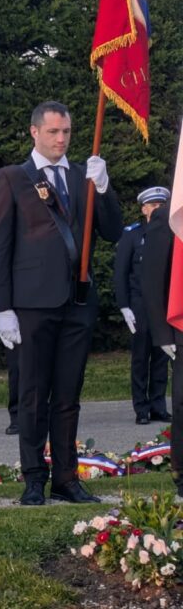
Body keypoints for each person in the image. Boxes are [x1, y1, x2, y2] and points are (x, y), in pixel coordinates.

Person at [0, 100, 122, 506]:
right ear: (34, 132)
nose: (61, 139)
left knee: (68, 394)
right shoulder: (13, 178)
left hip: (77, 302)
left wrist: (104, 188)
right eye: (53, 132)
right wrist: (3, 308)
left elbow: (113, 231)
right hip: (31, 305)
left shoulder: (84, 176)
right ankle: (34, 478)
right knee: (32, 393)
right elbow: (0, 247)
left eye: (66, 132)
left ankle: (66, 477)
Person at [113, 186, 171, 425]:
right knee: (140, 357)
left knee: (162, 357)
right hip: (139, 306)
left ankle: (158, 405)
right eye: (153, 205)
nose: (158, 209)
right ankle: (142, 409)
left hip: (164, 306)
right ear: (144, 209)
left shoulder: (171, 234)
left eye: (161, 205)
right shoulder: (133, 235)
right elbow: (121, 273)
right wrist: (124, 306)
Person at [138, 198, 183, 496]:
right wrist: (161, 332)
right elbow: (152, 278)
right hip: (181, 324)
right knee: (182, 402)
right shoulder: (171, 213)